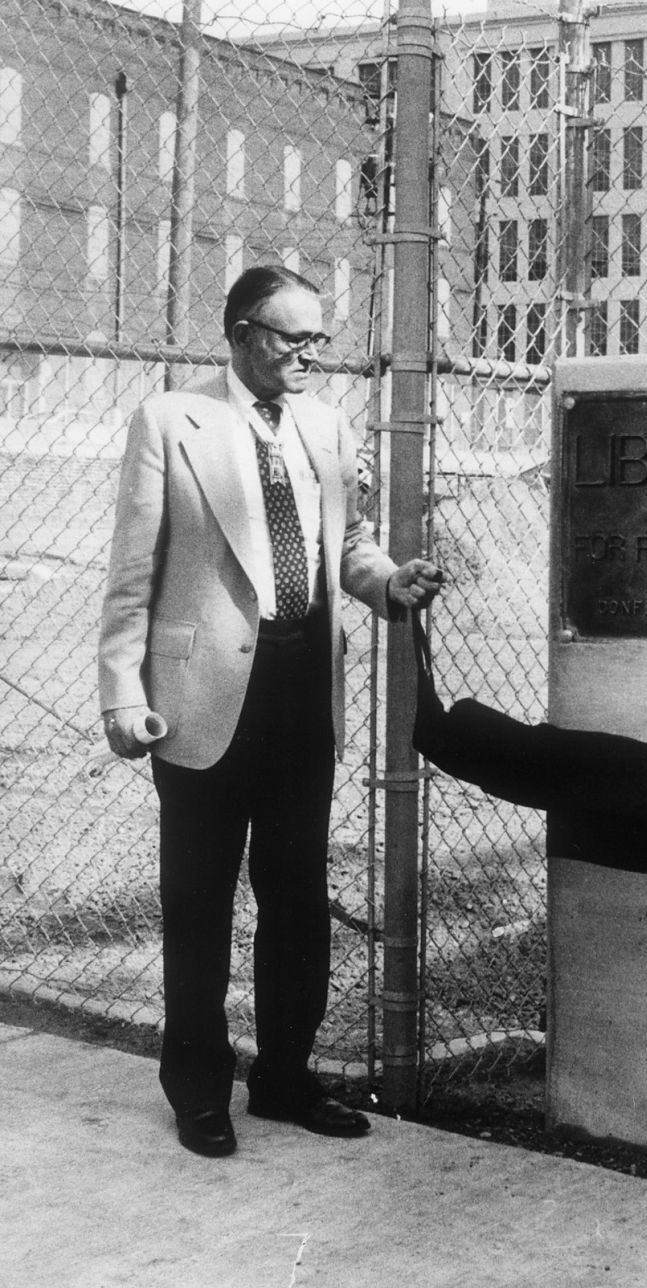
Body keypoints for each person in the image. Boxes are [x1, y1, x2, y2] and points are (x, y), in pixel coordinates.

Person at [98, 265, 444, 1158]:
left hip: (302, 699)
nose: (307, 355)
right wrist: (123, 694)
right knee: (198, 904)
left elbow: (349, 548)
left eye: (317, 340)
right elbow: (133, 573)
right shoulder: (172, 420)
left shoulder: (327, 425)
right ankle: (199, 1091)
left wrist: (389, 582)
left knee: (296, 900)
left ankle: (284, 1080)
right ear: (241, 332)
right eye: (291, 338)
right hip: (200, 702)